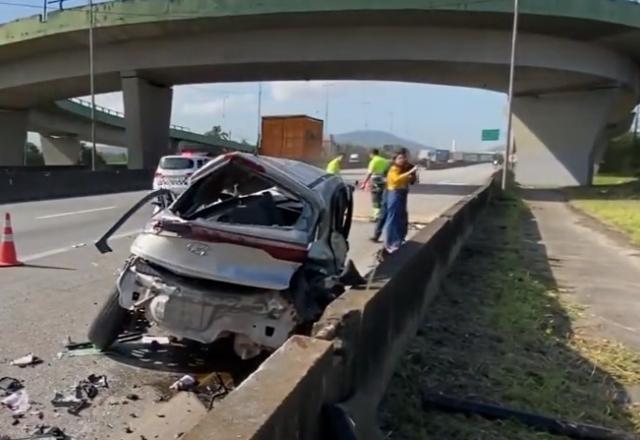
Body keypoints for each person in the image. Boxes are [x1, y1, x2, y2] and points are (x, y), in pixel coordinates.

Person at [371, 147, 416, 242]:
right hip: (389, 190)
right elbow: (384, 176)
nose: (403, 159)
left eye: (404, 156)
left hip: (402, 192)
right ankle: (377, 234)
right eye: (400, 157)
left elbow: (413, 181)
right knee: (384, 213)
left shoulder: (410, 167)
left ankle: (401, 237)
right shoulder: (391, 165)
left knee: (402, 215)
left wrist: (410, 177)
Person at [383, 152, 417, 253]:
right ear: (395, 160)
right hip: (395, 194)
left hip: (402, 194)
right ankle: (390, 242)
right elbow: (396, 179)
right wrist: (410, 171)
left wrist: (412, 175)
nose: (402, 160)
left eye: (404, 158)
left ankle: (399, 239)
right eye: (400, 158)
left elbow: (409, 181)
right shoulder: (393, 169)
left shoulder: (402, 170)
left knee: (402, 217)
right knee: (393, 218)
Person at [360, 148, 389, 221]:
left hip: (375, 181)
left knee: (375, 199)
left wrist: (364, 183)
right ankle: (384, 214)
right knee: (382, 198)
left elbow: (370, 173)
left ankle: (376, 216)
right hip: (383, 181)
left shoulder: (373, 161)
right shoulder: (385, 161)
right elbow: (387, 171)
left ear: (371, 154)